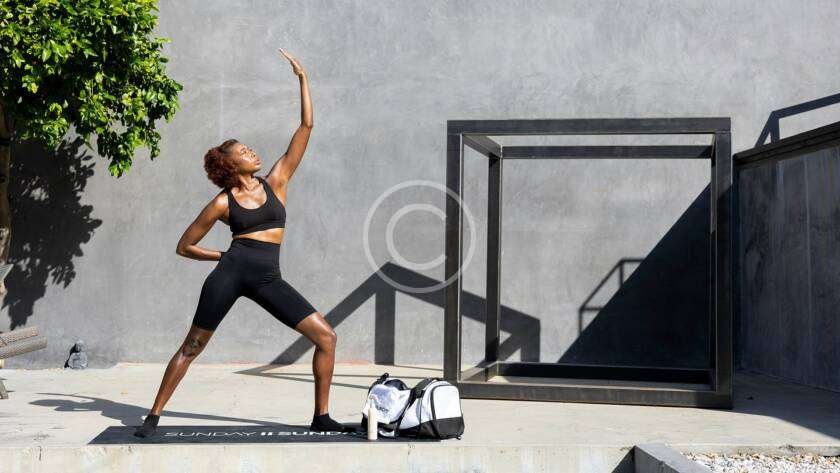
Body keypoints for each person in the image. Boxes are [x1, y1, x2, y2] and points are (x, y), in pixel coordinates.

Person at [135, 48, 351, 437]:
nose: (252, 152)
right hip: (230, 275)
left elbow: (305, 128)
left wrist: (303, 79)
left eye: (249, 149)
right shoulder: (222, 203)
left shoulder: (277, 182)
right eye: (244, 152)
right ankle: (153, 416)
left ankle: (321, 416)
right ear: (231, 165)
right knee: (192, 347)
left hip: (268, 279)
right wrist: (223, 256)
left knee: (326, 336)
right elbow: (185, 246)